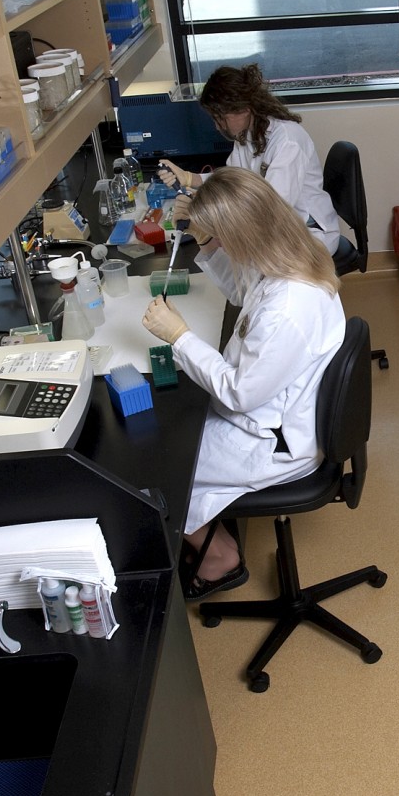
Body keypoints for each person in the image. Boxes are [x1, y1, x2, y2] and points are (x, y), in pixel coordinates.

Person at [140, 167, 347, 597]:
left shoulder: (288, 308)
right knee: (167, 431)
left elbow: (240, 393)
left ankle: (220, 556)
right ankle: (211, 530)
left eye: (219, 238)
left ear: (242, 235)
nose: (218, 246)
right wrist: (202, 234)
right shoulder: (289, 254)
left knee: (152, 468)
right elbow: (242, 291)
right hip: (277, 413)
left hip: (272, 440)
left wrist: (179, 336)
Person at [158, 64, 348, 261]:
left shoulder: (287, 142)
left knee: (244, 263)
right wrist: (191, 178)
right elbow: (233, 181)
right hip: (275, 226)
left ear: (244, 109)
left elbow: (271, 208)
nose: (217, 126)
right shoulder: (248, 135)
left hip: (305, 232)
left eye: (220, 118)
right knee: (233, 259)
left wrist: (207, 207)